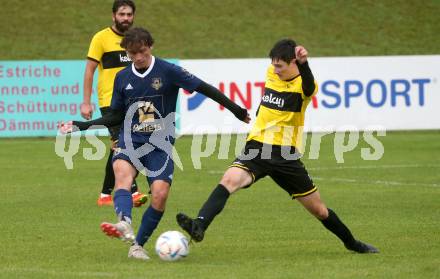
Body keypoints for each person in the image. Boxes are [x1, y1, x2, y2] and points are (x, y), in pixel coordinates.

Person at [59, 27, 250, 260]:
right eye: (132, 54)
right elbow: (116, 116)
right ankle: (124, 223)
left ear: (150, 46)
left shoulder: (168, 71)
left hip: (160, 144)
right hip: (130, 139)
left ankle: (137, 245)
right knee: (121, 173)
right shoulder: (123, 78)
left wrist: (237, 110)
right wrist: (81, 125)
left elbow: (205, 89)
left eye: (141, 52)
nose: (137, 58)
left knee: (160, 195)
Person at [176, 39, 379, 254]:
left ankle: (351, 243)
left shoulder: (304, 86)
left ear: (294, 63)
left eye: (280, 66)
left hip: (285, 156)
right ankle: (199, 224)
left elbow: (309, 85)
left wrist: (304, 63)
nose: (275, 69)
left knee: (319, 210)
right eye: (273, 64)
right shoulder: (272, 74)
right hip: (257, 147)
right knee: (229, 180)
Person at [81, 0, 147, 207]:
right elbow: (90, 70)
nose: (125, 18)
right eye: (122, 14)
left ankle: (104, 195)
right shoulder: (100, 38)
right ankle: (133, 191)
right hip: (110, 101)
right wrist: (86, 102)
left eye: (129, 14)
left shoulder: (136, 40)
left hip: (134, 100)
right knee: (122, 144)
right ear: (113, 16)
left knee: (121, 146)